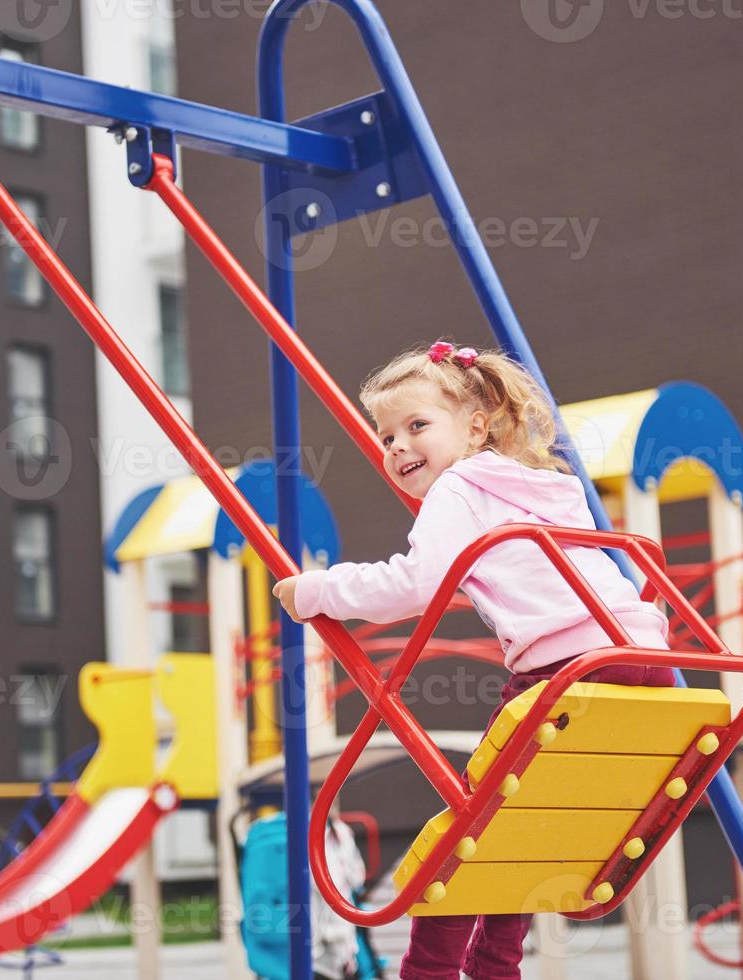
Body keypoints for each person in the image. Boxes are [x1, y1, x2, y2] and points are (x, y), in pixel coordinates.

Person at [272, 340, 673, 980]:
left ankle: (428, 972)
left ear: (476, 427)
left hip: (571, 668)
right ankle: (495, 966)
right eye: (385, 436)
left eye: (416, 426)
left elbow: (416, 584)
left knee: (466, 831)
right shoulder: (542, 489)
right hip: (648, 660)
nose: (397, 445)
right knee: (516, 828)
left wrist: (318, 589)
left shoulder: (457, 487)